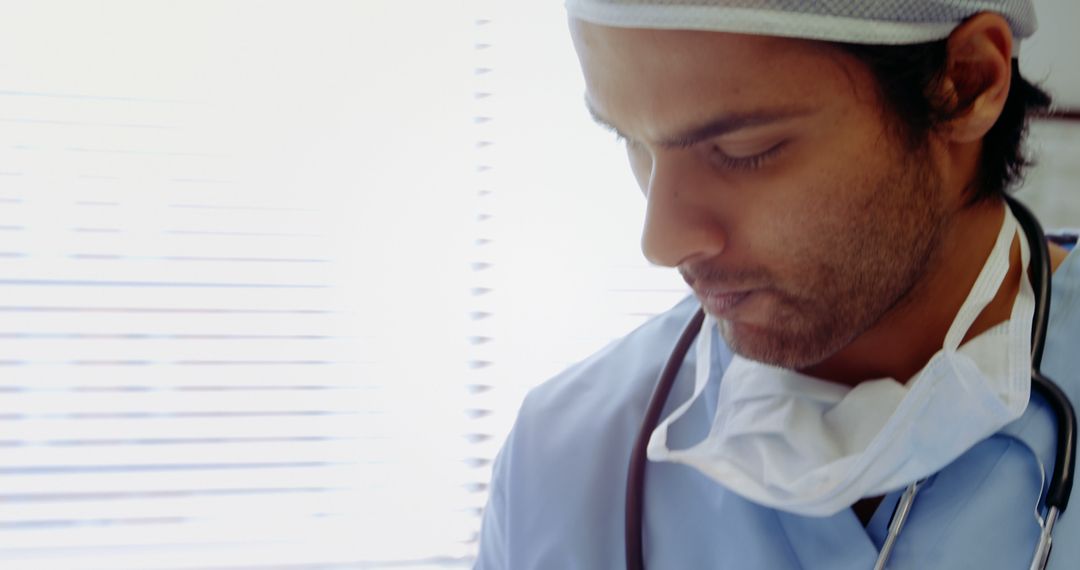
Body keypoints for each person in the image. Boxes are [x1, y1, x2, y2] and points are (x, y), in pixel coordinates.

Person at [475, 1, 1080, 568]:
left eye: (744, 150)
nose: (660, 242)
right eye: (630, 141)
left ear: (966, 83)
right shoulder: (554, 464)